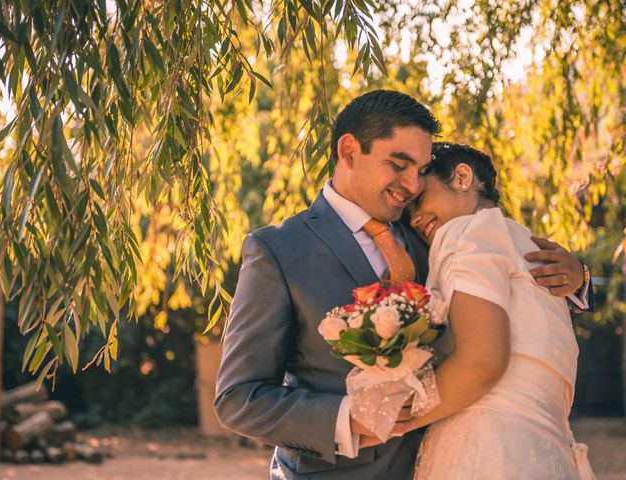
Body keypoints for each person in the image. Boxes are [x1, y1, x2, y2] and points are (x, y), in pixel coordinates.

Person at [214, 90, 592, 479]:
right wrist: (348, 419)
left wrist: (579, 278)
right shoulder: (278, 251)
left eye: (422, 169)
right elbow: (238, 399)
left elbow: (505, 289)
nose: (412, 185)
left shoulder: (435, 231)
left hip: (453, 460)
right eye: (399, 165)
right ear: (348, 151)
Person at [403, 142, 595, 479]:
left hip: (486, 448)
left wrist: (386, 419)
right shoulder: (524, 243)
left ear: (462, 176)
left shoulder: (463, 232)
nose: (415, 219)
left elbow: (481, 363)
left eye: (418, 200)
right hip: (548, 451)